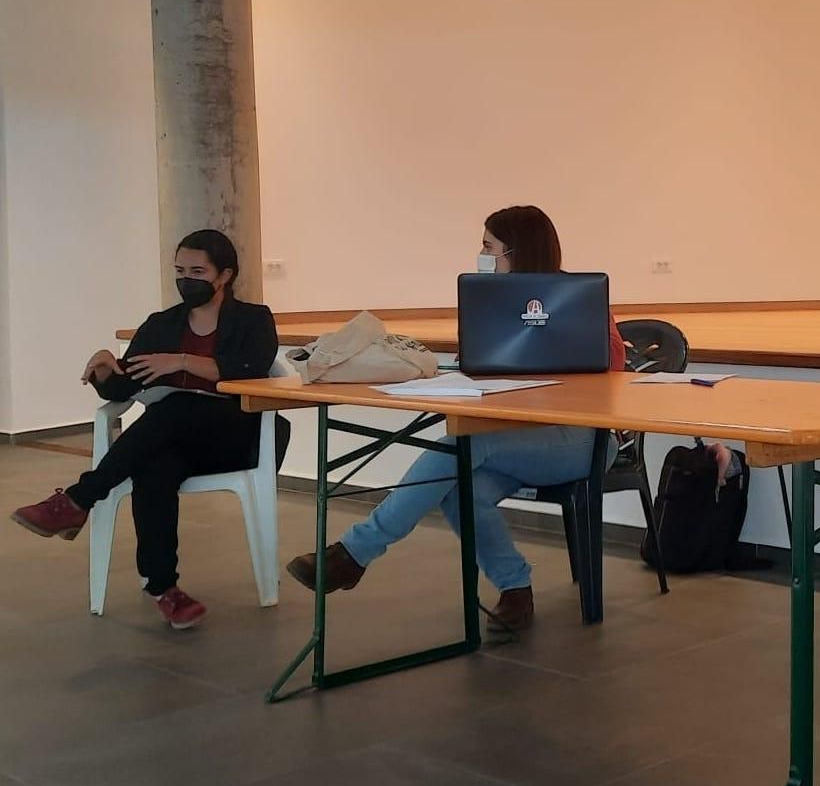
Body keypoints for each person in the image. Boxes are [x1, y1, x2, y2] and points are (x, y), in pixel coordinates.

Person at [284, 205, 624, 632]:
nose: (481, 255)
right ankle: (515, 589)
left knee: (462, 446)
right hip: (515, 438)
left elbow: (614, 365)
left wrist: (565, 341)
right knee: (458, 484)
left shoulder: (580, 299)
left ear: (517, 252)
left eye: (488, 247)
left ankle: (353, 554)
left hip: (581, 440)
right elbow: (478, 363)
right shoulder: (490, 304)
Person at [10, 229, 287, 629]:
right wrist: (106, 369)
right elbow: (126, 386)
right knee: (153, 468)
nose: (185, 279)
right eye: (179, 270)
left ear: (224, 275)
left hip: (239, 434)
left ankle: (78, 499)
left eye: (197, 270)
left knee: (175, 405)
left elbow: (252, 370)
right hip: (177, 438)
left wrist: (183, 362)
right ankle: (164, 588)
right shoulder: (162, 324)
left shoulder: (253, 319)